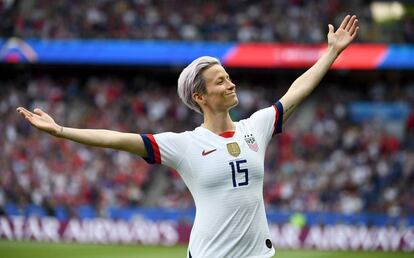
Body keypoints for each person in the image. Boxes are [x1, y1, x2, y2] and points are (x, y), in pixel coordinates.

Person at [17, 15, 359, 258]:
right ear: (200, 96)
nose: (231, 83)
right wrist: (61, 131)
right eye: (221, 81)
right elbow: (115, 138)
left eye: (229, 77)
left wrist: (331, 53)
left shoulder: (255, 127)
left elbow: (296, 91)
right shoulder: (184, 145)